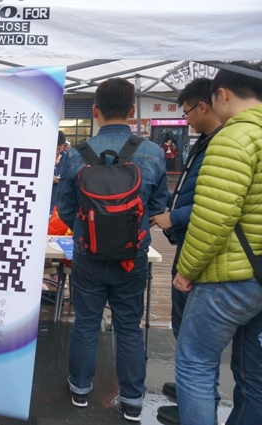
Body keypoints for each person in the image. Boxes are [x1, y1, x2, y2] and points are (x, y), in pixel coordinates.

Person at [57, 78, 168, 422]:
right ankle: (133, 400)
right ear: (132, 111)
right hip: (131, 258)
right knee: (129, 328)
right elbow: (157, 208)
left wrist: (88, 231)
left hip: (87, 255)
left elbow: (65, 209)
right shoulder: (152, 152)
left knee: (86, 324)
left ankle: (80, 389)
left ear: (95, 110)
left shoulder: (76, 154)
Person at [173, 61, 262, 425]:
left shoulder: (232, 138)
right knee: (254, 375)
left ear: (222, 94)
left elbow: (213, 218)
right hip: (259, 276)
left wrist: (186, 271)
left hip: (227, 279)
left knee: (194, 362)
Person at [149, 78, 222, 424]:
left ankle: (197, 402)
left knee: (197, 344)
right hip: (190, 244)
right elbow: (192, 193)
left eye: (187, 112)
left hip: (202, 253)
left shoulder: (223, 145)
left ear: (203, 106)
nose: (186, 119)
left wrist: (174, 217)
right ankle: (191, 390)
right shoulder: (205, 143)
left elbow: (217, 205)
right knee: (186, 329)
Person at [49, 130, 67, 214]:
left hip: (59, 196)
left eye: (60, 149)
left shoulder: (66, 157)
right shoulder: (44, 155)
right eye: (56, 149)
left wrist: (60, 179)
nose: (58, 151)